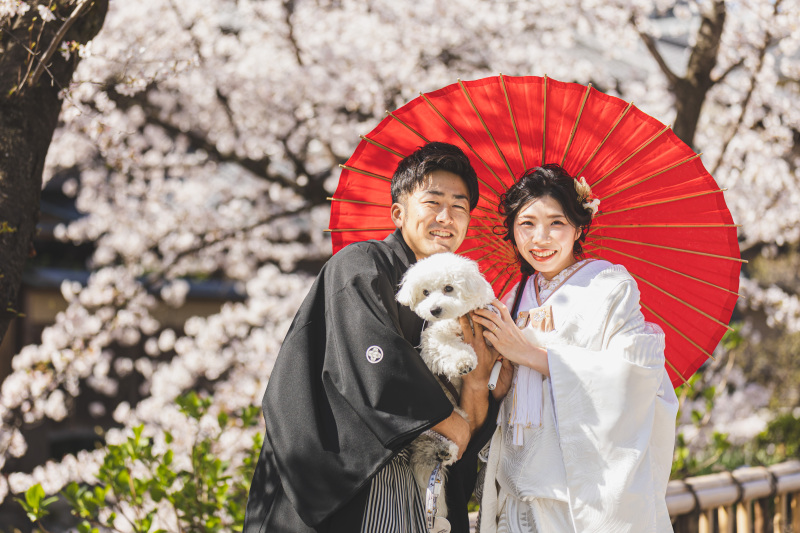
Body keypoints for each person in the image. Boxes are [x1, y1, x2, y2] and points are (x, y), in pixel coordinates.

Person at [244, 142, 509, 533]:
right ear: (398, 213)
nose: (446, 217)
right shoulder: (360, 265)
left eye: (460, 206)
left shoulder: (465, 302)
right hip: (357, 474)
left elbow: (469, 421)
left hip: (423, 484)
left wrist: (474, 387)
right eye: (432, 202)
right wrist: (449, 421)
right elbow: (375, 363)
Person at [471, 164, 679, 533]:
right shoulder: (510, 299)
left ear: (579, 227)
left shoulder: (609, 287)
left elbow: (634, 377)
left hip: (578, 496)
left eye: (557, 223)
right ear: (512, 231)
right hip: (514, 494)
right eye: (527, 224)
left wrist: (531, 356)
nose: (541, 238)